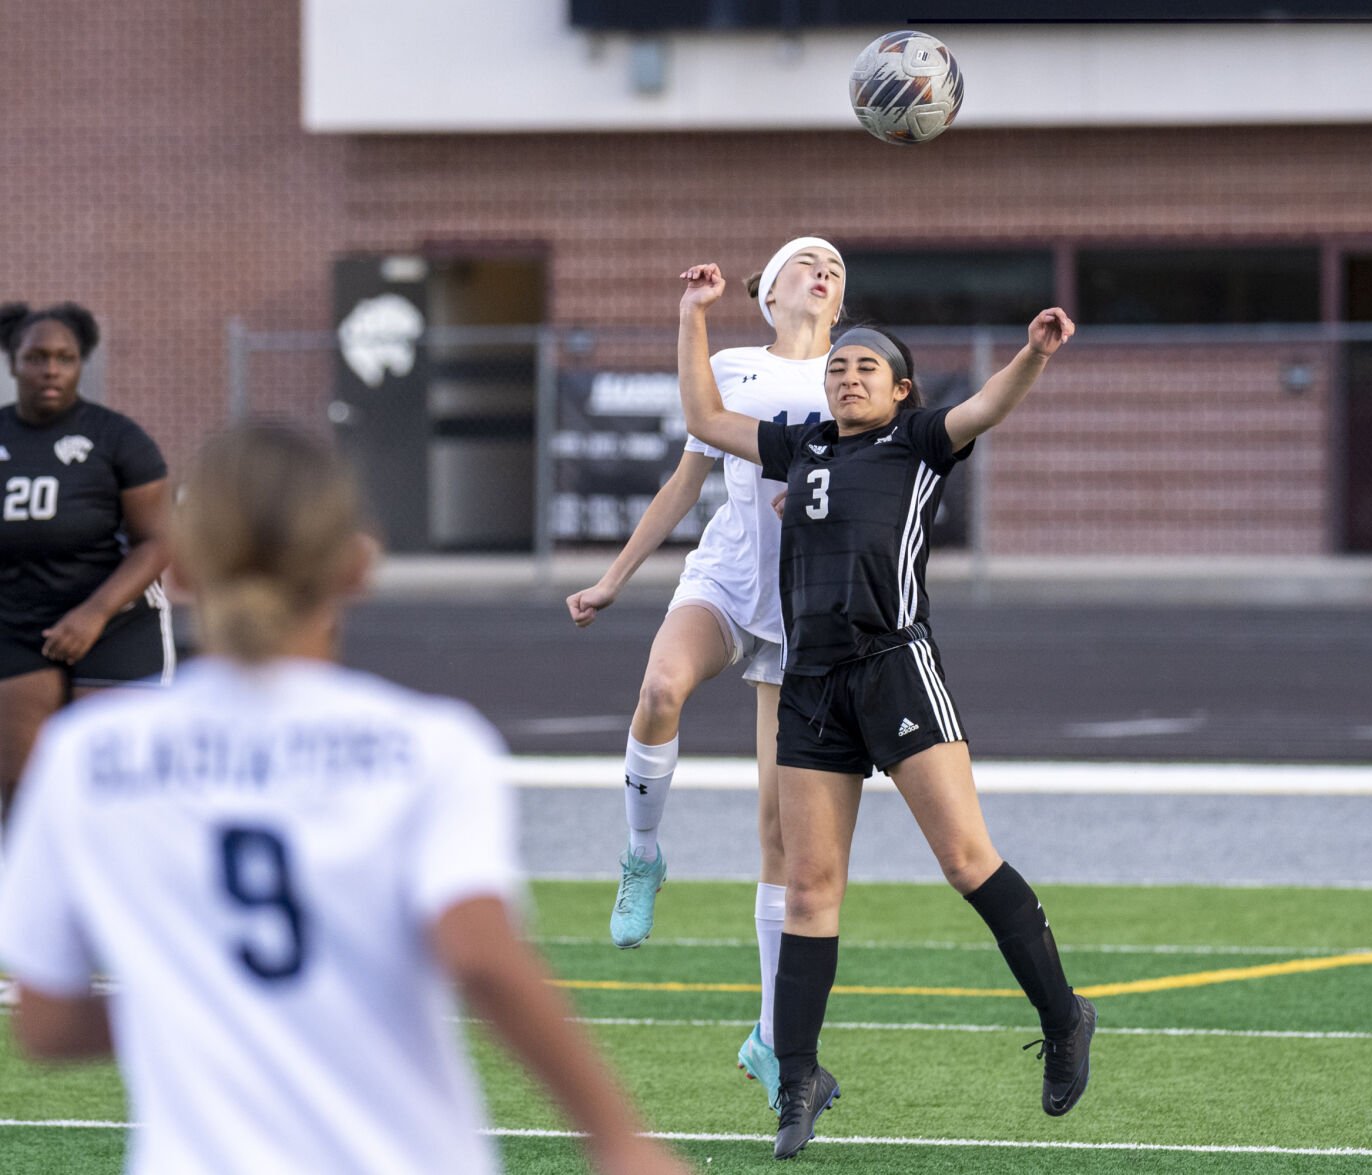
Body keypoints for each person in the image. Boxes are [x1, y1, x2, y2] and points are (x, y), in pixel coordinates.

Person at [0, 424, 688, 1175]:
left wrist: (204, 994)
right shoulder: (427, 745)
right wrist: (620, 1141)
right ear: (357, 565)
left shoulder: (87, 754)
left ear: (184, 569)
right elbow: (480, 955)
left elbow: (49, 1021)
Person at [673, 262, 1094, 1160]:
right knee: (809, 889)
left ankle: (1063, 1017)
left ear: (900, 389)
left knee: (964, 858)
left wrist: (1032, 355)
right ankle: (797, 1079)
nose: (847, 375)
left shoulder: (918, 441)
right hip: (811, 683)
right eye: (839, 368)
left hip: (894, 668)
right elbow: (706, 421)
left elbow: (983, 407)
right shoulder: (802, 446)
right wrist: (692, 318)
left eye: (866, 367)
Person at [566, 237, 844, 1112]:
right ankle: (641, 855)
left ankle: (768, 1036)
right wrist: (614, 577)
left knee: (778, 833)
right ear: (769, 292)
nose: (823, 271)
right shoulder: (734, 364)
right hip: (725, 580)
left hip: (806, 609)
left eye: (835, 267)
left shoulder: (855, 370)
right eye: (807, 261)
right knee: (658, 690)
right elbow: (686, 483)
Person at [0, 302, 173, 831]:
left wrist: (93, 614)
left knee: (114, 790)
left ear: (81, 364)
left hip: (115, 621)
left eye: (64, 358)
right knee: (23, 791)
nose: (50, 369)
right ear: (13, 363)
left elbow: (159, 542)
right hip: (18, 625)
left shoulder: (117, 438)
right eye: (36, 357)